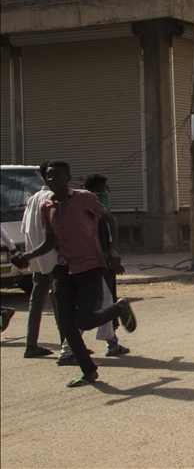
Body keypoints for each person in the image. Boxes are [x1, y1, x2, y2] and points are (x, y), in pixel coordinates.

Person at [17, 160, 137, 388]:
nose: (51, 179)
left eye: (57, 175)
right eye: (49, 176)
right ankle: (88, 370)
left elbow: (110, 219)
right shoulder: (47, 206)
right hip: (63, 267)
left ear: (68, 177)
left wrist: (112, 249)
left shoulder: (83, 197)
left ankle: (119, 307)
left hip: (89, 266)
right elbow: (50, 240)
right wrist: (29, 254)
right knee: (65, 323)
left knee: (85, 319)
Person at [81, 173, 130, 357]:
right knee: (93, 306)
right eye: (101, 189)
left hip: (103, 264)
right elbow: (87, 243)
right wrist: (107, 259)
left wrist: (113, 252)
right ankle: (69, 347)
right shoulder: (83, 209)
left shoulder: (100, 210)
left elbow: (111, 222)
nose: (105, 192)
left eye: (106, 188)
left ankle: (112, 343)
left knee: (104, 302)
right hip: (91, 265)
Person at [19, 162, 61, 358]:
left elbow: (25, 228)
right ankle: (68, 345)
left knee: (37, 302)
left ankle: (31, 344)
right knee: (62, 301)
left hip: (37, 257)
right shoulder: (52, 198)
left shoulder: (33, 198)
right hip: (53, 257)